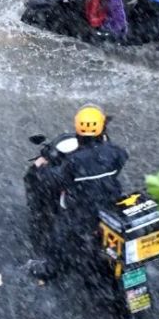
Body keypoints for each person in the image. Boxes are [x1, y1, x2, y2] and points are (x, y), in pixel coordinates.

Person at [28, 104, 128, 280]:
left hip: (82, 211)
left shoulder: (74, 162)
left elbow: (55, 179)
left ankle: (50, 269)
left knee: (59, 235)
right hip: (110, 202)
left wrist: (41, 168)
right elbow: (121, 161)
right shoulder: (115, 153)